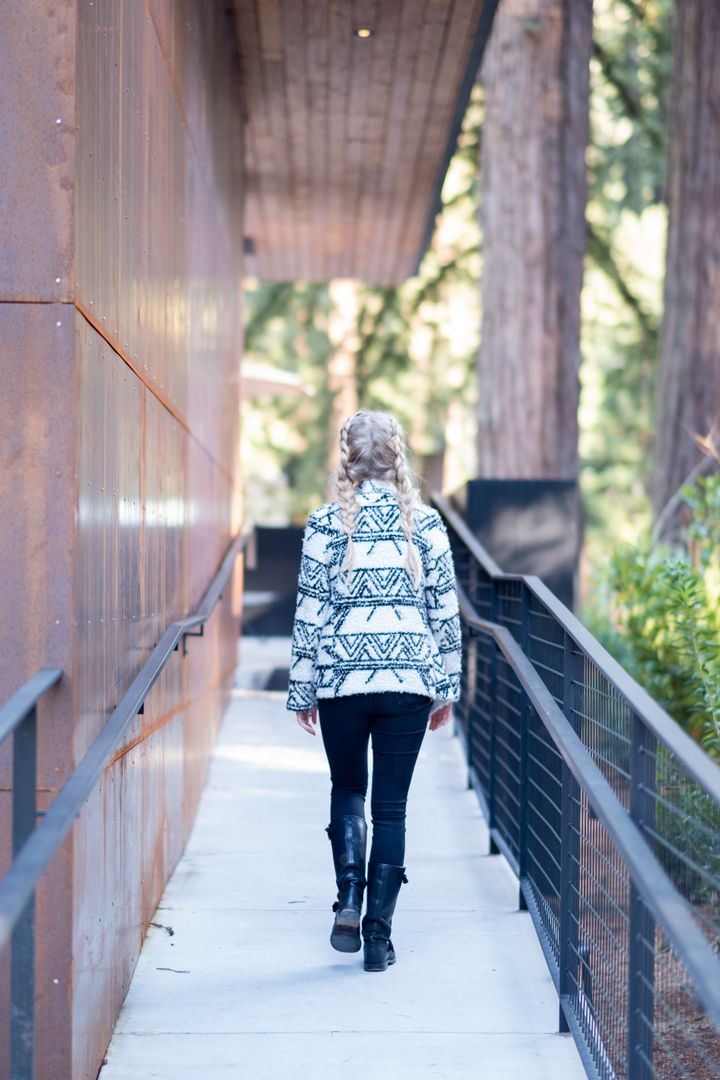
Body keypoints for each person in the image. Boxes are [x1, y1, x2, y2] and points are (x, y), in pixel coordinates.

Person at [286, 409, 462, 972]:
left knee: (347, 789)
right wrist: (444, 691)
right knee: (391, 809)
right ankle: (379, 938)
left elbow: (309, 612)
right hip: (408, 683)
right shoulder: (427, 525)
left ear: (347, 459)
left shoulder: (323, 523)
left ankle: (350, 897)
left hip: (342, 681)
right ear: (398, 456)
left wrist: (303, 689)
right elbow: (445, 615)